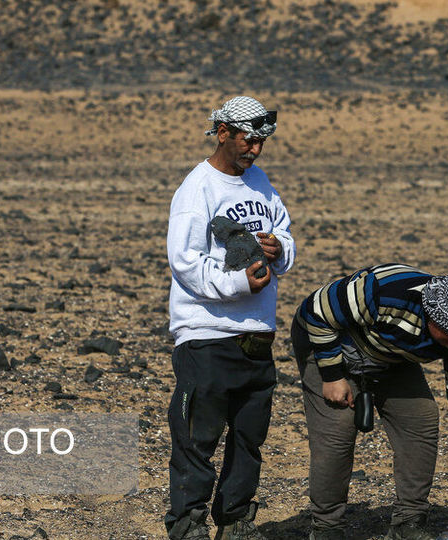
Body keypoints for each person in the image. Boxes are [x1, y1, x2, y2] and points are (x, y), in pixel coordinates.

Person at [291, 261, 448, 540]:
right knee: (337, 432)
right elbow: (317, 310)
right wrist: (332, 376)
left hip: (389, 352)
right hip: (326, 340)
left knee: (421, 418)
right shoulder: (386, 292)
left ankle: (408, 522)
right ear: (435, 315)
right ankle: (327, 527)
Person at [165, 96, 296, 540]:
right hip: (206, 335)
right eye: (247, 140)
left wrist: (279, 251)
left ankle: (237, 521)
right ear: (223, 133)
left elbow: (286, 235)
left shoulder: (260, 183)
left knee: (248, 439)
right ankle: (187, 525)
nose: (254, 150)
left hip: (257, 336)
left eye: (260, 142)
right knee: (196, 440)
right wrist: (241, 285)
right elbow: (185, 262)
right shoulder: (197, 188)